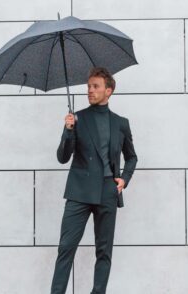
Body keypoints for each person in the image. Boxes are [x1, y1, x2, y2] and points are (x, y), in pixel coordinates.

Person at [50, 67, 138, 294]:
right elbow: (63, 157)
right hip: (79, 192)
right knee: (66, 248)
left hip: (107, 192)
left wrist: (124, 180)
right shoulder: (78, 118)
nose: (90, 90)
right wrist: (68, 130)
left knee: (104, 251)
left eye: (95, 86)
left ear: (109, 90)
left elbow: (132, 157)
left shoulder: (121, 123)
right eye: (88, 86)